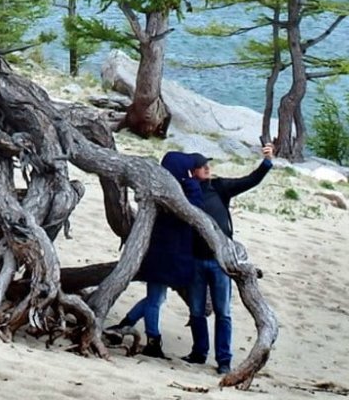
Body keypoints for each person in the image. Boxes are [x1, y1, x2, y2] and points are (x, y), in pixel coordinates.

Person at [184, 143, 274, 374]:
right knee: (196, 311)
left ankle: (224, 360)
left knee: (223, 313)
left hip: (221, 262)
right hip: (194, 258)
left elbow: (249, 181)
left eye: (207, 164)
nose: (206, 168)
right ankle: (199, 353)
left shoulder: (219, 186)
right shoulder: (183, 191)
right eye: (201, 165)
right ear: (191, 171)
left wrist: (266, 163)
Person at [105, 151, 202, 359]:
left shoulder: (160, 189)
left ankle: (125, 324)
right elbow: (195, 208)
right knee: (156, 300)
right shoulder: (179, 192)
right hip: (167, 256)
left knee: (155, 298)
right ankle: (153, 340)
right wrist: (192, 183)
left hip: (161, 255)